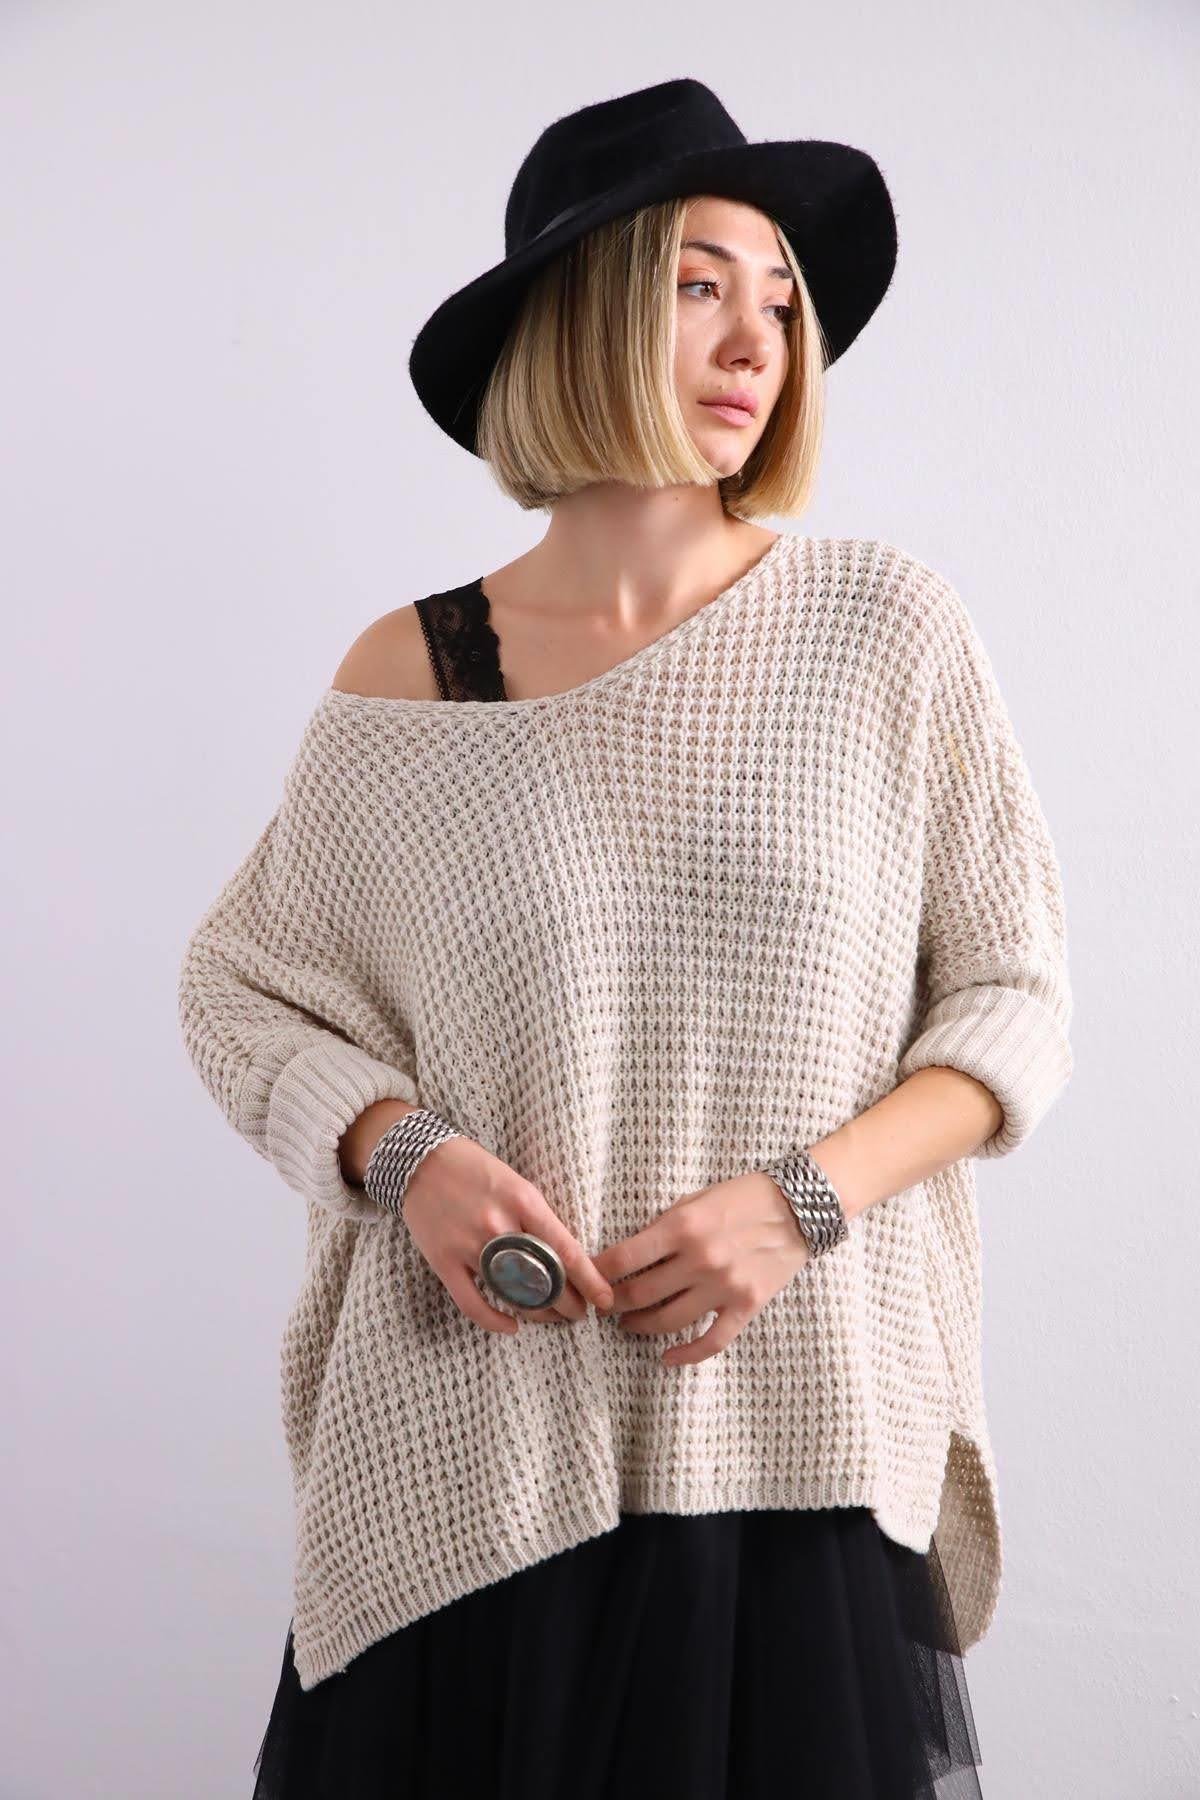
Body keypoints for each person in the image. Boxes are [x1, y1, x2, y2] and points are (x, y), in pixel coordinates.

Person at [178, 78, 1073, 1799]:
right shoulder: (414, 675)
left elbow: (1011, 1003)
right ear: (580, 314)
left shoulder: (883, 630)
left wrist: (799, 1206)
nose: (756, 343)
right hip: (469, 1463)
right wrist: (401, 1154)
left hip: (792, 1446)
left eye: (782, 303)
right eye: (698, 285)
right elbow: (241, 990)